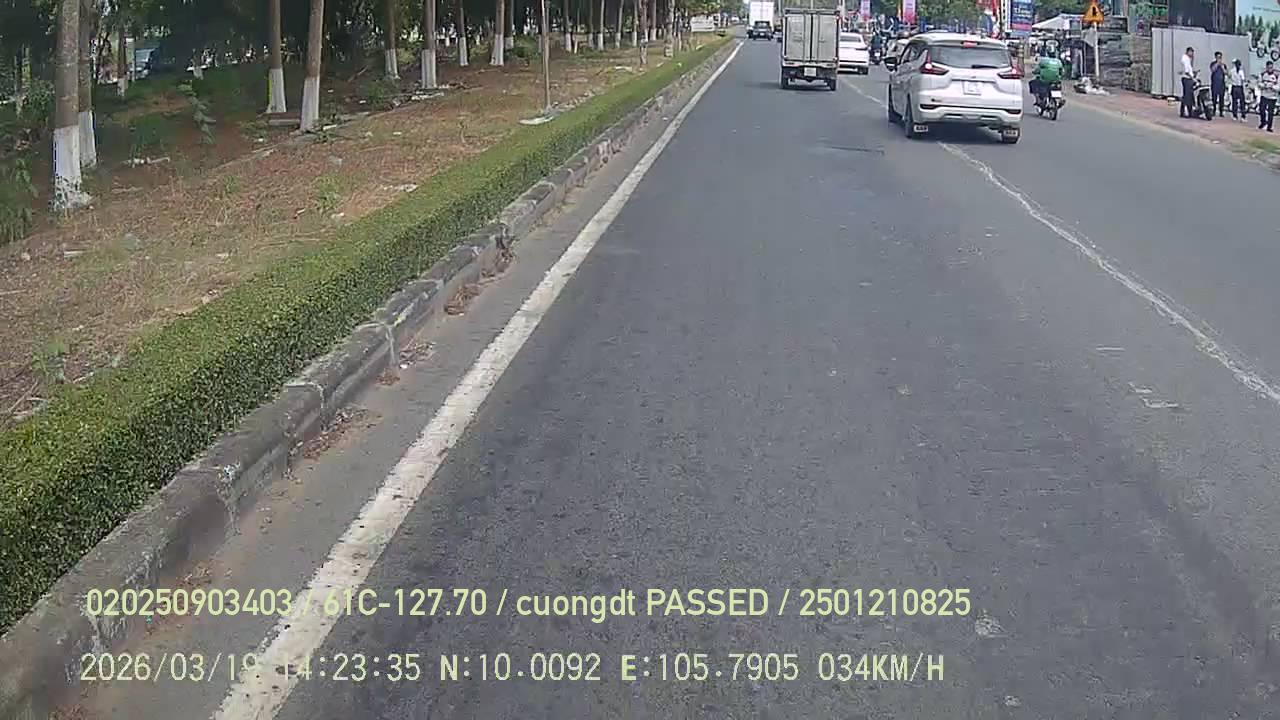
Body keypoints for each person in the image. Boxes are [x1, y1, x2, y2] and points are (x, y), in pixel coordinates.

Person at [1260, 60, 1279, 132]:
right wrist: (1264, 86)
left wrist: (1272, 87)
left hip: (1272, 96)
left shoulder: (1277, 75)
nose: (1270, 69)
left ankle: (1269, 126)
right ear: (1266, 67)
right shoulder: (1263, 74)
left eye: (1271, 68)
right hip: (1264, 95)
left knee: (1271, 112)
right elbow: (1259, 83)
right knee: (1262, 109)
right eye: (1268, 68)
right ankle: (1263, 122)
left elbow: (1278, 87)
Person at [1209, 51, 1227, 118]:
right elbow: (1212, 70)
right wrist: (1217, 64)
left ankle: (1221, 111)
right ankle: (1214, 110)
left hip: (1222, 84)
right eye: (1218, 57)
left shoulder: (1223, 65)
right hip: (1214, 84)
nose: (1219, 58)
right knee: (1214, 98)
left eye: (1220, 57)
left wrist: (1222, 67)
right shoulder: (1213, 64)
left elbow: (1226, 72)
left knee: (1221, 98)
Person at [1180, 46, 1196, 118]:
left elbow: (1190, 68)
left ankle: (1183, 111)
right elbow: (1187, 71)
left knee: (1186, 95)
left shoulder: (1188, 59)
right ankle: (1188, 112)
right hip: (1187, 79)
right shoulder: (1185, 59)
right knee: (1188, 96)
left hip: (1187, 78)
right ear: (1188, 52)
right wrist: (1193, 78)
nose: (1192, 54)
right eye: (1191, 52)